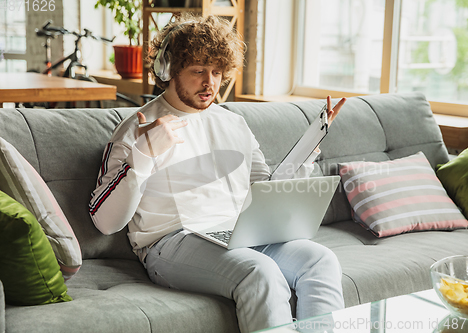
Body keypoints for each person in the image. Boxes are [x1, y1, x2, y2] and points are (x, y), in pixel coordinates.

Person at [89, 13, 346, 333]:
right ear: (169, 69)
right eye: (198, 71)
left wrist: (306, 152)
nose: (210, 82)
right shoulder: (138, 128)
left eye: (217, 71)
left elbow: (263, 190)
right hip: (170, 242)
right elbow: (106, 221)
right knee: (260, 273)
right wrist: (144, 154)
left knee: (320, 260)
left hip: (239, 233)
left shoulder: (233, 123)